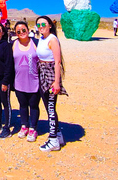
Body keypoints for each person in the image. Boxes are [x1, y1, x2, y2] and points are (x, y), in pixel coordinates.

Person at [36, 16, 68, 151]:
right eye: (38, 25)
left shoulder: (52, 39)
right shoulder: (42, 39)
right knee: (48, 107)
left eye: (43, 24)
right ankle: (58, 134)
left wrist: (56, 82)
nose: (41, 26)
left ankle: (53, 139)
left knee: (50, 108)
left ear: (50, 25)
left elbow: (57, 62)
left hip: (50, 76)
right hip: (42, 74)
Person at [12, 21, 41, 142]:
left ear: (28, 30)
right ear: (16, 33)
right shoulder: (13, 44)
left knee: (34, 105)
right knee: (23, 105)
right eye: (18, 31)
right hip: (19, 82)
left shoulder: (36, 43)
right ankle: (24, 126)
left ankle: (33, 128)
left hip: (34, 81)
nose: (21, 33)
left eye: (23, 30)